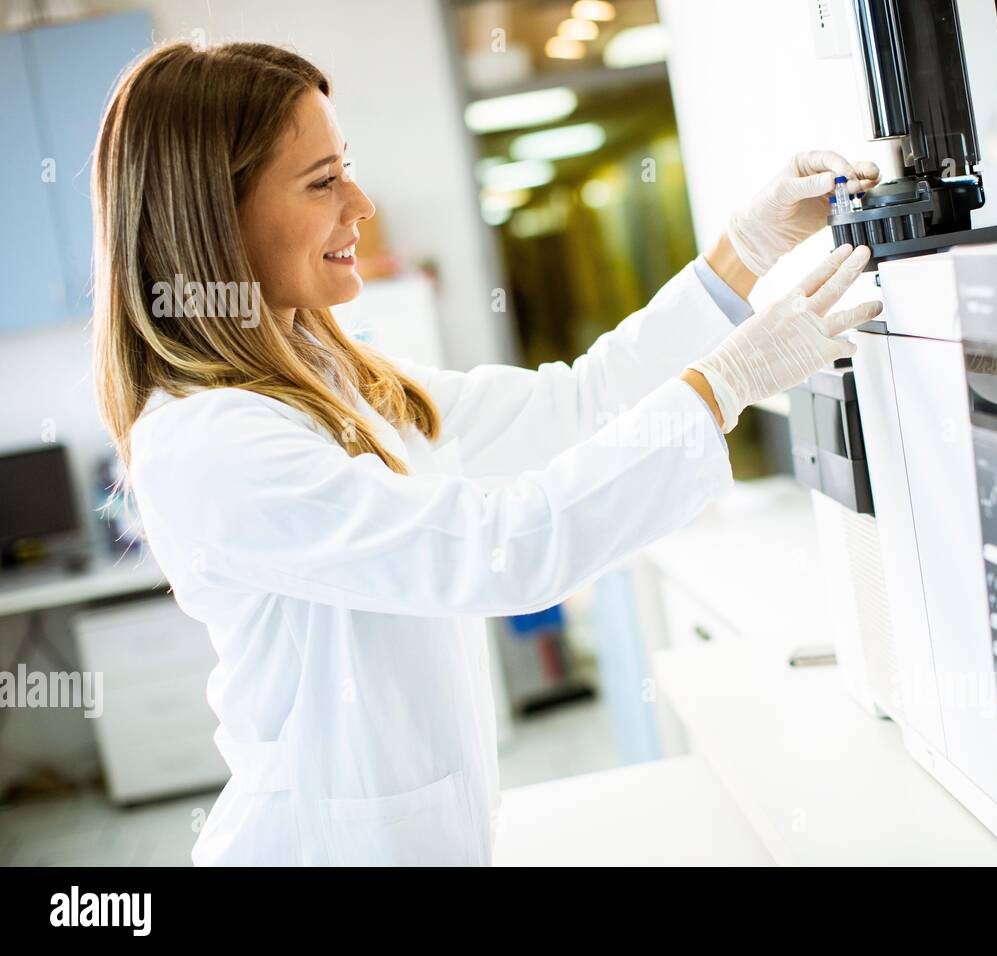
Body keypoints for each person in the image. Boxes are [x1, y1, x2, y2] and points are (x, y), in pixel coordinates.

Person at [91, 41, 880, 865]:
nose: (359, 203)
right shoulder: (209, 442)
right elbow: (500, 550)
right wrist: (726, 385)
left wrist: (744, 250)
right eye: (323, 182)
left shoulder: (332, 377)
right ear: (215, 218)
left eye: (346, 168)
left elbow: (571, 405)